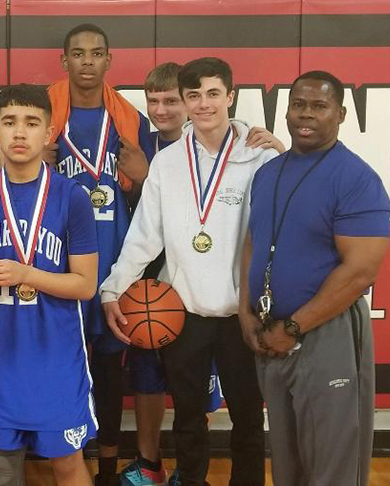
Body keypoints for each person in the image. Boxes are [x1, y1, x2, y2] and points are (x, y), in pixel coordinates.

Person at [100, 57, 275, 486]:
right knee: (188, 419)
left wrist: (285, 156)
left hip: (244, 314)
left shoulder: (262, 157)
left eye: (213, 94)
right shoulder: (168, 162)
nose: (203, 104)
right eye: (193, 95)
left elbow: (282, 229)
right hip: (185, 314)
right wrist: (111, 290)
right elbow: (145, 237)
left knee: (249, 420)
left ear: (230, 96)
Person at [241, 70, 390, 486]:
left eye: (319, 106)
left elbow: (361, 271)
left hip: (325, 334)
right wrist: (244, 312)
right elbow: (253, 244)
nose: (306, 115)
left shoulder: (356, 178)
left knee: (332, 464)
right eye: (298, 105)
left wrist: (293, 327)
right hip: (271, 333)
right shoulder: (269, 174)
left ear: (341, 114)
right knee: (288, 461)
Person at [0, 83, 99, 486]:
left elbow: (86, 286)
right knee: (2, 468)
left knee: (68, 464)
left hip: (57, 357)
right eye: (10, 122)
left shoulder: (73, 198)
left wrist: (26, 274)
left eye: (32, 123)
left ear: (49, 133)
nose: (20, 133)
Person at [46, 23, 154, 486]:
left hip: (113, 267)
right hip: (58, 269)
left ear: (110, 61)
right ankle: (68, 462)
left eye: (96, 53)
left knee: (110, 374)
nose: (87, 61)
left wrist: (145, 176)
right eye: (78, 53)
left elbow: (154, 208)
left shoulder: (132, 121)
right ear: (64, 62)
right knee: (64, 369)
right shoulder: (44, 116)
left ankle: (107, 469)